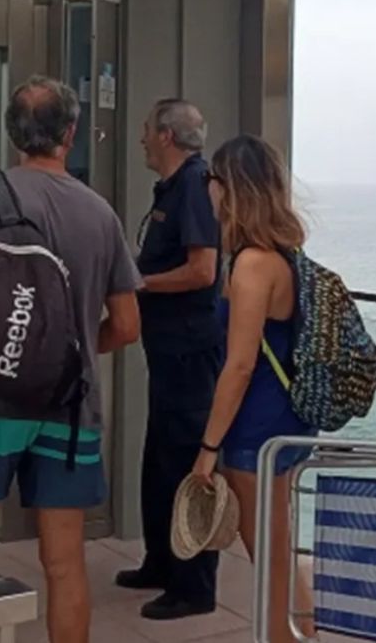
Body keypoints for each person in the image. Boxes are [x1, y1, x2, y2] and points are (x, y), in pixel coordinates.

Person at [0, 76, 142, 643]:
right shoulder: (101, 214)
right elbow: (128, 326)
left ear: (12, 133)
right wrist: (64, 353)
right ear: (70, 133)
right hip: (70, 409)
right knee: (64, 563)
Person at [189, 134, 316, 643]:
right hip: (284, 420)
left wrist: (207, 448)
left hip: (255, 430)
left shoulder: (251, 265)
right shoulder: (284, 255)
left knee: (270, 561)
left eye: (212, 181)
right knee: (279, 555)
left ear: (229, 188)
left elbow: (238, 366)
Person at [116, 99, 222, 620]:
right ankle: (161, 560)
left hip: (190, 352)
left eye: (144, 131)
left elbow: (203, 270)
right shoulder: (172, 190)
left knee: (184, 462)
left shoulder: (197, 187)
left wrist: (139, 283)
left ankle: (195, 585)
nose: (139, 141)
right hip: (166, 351)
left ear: (165, 136)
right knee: (159, 458)